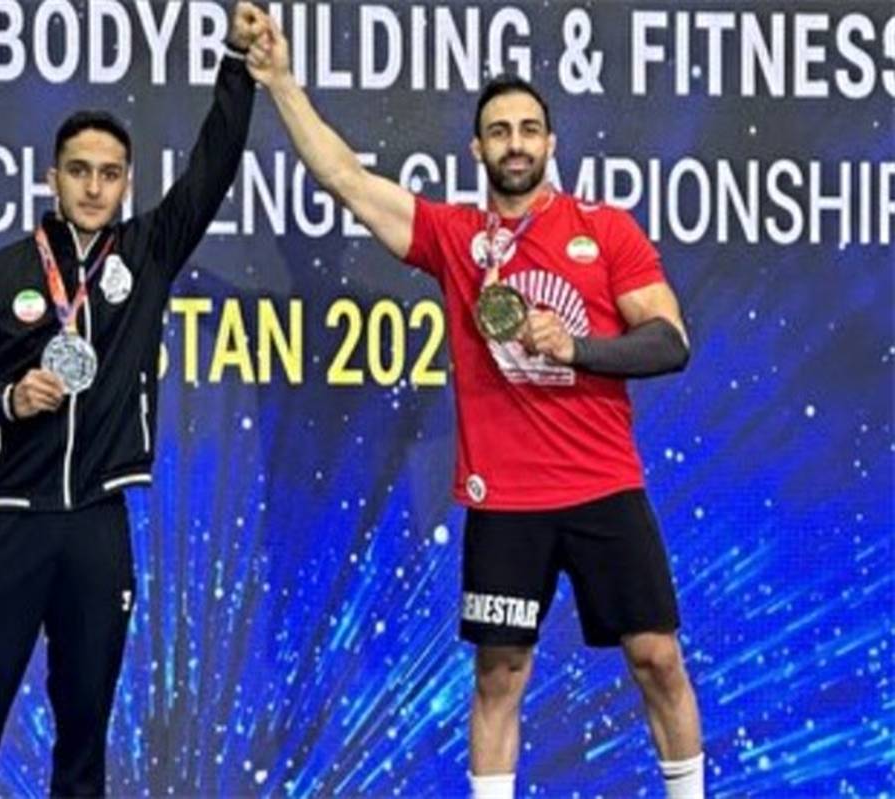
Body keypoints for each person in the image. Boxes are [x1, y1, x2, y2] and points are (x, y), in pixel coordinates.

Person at [244, 22, 705, 799]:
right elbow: (346, 179)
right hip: (506, 499)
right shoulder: (456, 238)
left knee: (658, 657)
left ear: (550, 143)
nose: (514, 143)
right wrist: (282, 82)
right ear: (477, 149)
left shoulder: (604, 230)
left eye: (527, 129)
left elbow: (670, 340)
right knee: (499, 673)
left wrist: (578, 347)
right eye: (499, 131)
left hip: (603, 486)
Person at [0, 4, 268, 794]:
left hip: (97, 526)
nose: (93, 186)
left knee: (85, 730)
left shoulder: (147, 254)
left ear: (126, 183)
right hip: (9, 518)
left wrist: (237, 64)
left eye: (109, 173)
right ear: (54, 177)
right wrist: (7, 397)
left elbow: (213, 164)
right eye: (79, 170)